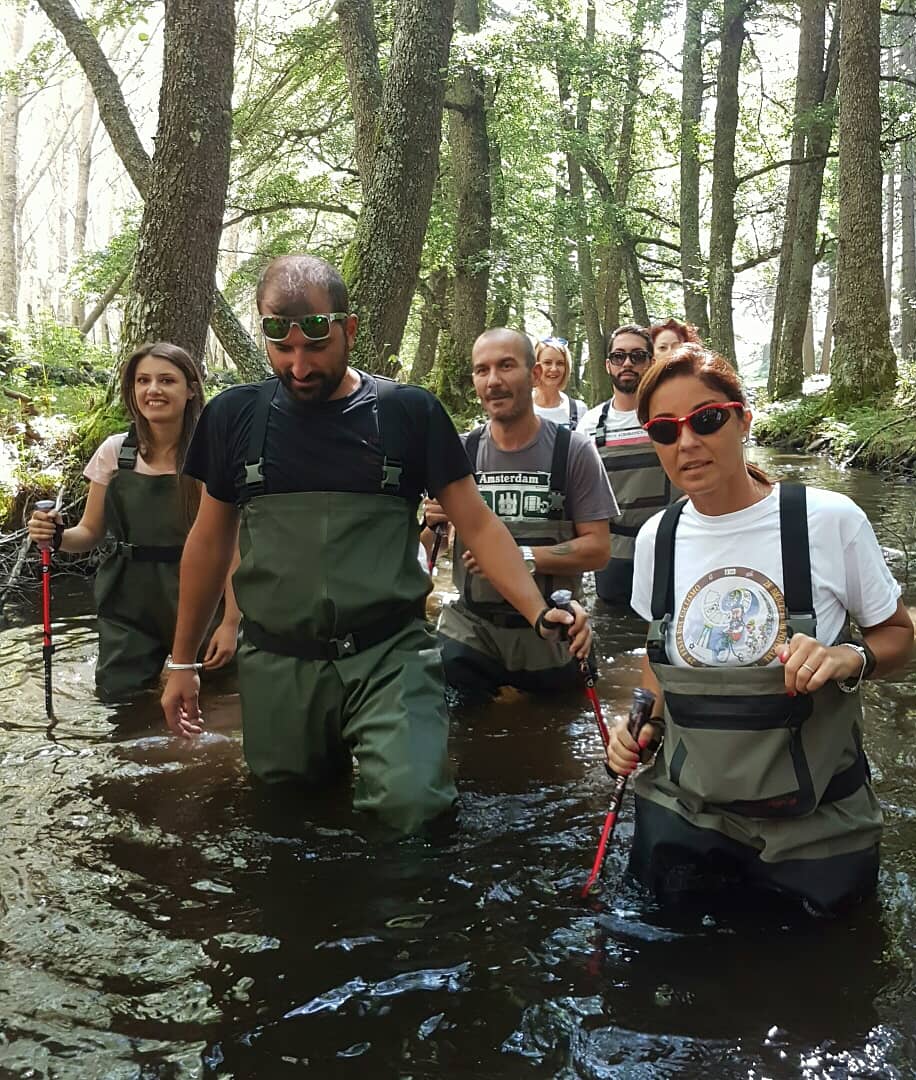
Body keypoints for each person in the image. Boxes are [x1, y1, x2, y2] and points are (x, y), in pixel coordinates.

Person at [160, 257, 591, 836]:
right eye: (281, 348)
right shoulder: (234, 417)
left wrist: (538, 612)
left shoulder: (408, 413)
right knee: (288, 817)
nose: (299, 365)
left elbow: (480, 526)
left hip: (391, 655)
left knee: (414, 811)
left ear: (351, 329)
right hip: (279, 661)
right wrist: (182, 660)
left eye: (315, 346)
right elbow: (210, 541)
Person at [606, 343, 914, 915]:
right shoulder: (657, 538)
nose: (688, 442)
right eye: (666, 430)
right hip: (685, 812)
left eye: (707, 419)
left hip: (818, 825)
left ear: (743, 418)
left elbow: (896, 634)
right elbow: (658, 657)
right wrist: (640, 723)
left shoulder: (828, 520)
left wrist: (850, 658)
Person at [28, 343, 240, 700]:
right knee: (121, 701)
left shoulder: (213, 453)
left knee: (218, 699)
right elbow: (90, 533)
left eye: (166, 380)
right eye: (143, 380)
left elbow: (230, 547)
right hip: (129, 602)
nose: (152, 390)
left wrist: (232, 622)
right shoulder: (114, 452)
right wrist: (56, 535)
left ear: (191, 390)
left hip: (201, 597)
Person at [425, 328, 617, 701]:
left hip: (551, 627)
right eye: (482, 370)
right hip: (471, 628)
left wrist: (522, 557)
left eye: (506, 366)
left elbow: (599, 549)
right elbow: (430, 547)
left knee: (557, 731)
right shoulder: (460, 452)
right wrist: (434, 523)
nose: (493, 381)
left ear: (533, 375)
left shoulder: (573, 451)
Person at [578, 324, 680, 607]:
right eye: (619, 356)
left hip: (668, 548)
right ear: (608, 365)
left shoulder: (672, 416)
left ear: (651, 362)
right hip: (613, 555)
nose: (627, 363)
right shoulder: (590, 424)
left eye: (637, 356)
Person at [531, 336, 587, 429]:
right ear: (535, 367)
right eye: (547, 362)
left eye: (560, 363)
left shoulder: (578, 410)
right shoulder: (519, 407)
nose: (554, 368)